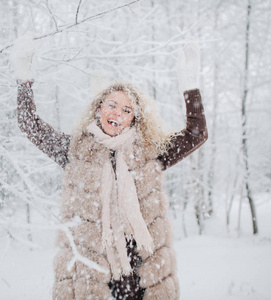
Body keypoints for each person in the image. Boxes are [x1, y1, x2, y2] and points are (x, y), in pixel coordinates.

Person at [12, 35, 207, 300]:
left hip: (144, 277)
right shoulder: (77, 151)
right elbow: (30, 125)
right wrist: (25, 80)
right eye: (111, 105)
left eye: (127, 110)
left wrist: (190, 86)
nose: (117, 113)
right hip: (91, 276)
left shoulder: (148, 154)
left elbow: (196, 134)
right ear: (98, 108)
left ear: (134, 119)